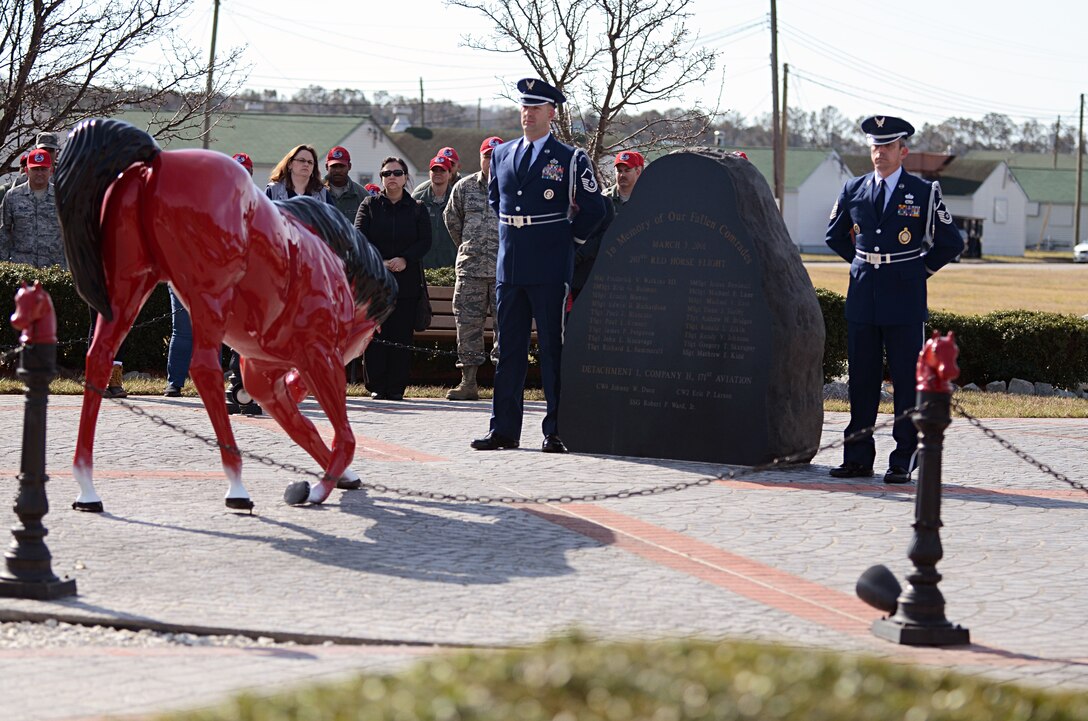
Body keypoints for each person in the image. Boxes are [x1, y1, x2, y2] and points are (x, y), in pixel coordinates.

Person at [471, 78, 607, 453]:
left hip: (549, 262)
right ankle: (504, 430)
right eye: (523, 107)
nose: (527, 114)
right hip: (510, 262)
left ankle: (557, 429)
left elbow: (595, 209)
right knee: (508, 350)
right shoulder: (501, 154)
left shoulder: (570, 158)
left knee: (552, 350)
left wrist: (570, 240)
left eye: (535, 108)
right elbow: (496, 200)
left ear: (551, 113)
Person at [825, 115, 963, 484]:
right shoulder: (853, 189)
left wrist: (919, 271)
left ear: (903, 151)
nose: (879, 153)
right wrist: (861, 265)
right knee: (862, 381)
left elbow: (952, 242)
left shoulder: (923, 192)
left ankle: (903, 459)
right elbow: (834, 236)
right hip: (863, 297)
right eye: (874, 146)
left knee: (905, 381)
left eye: (886, 147)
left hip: (904, 298)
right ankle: (857, 457)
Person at [354, 156, 432, 400]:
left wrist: (405, 259)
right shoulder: (370, 205)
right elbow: (358, 237)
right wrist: (381, 260)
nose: (392, 178)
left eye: (397, 173)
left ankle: (397, 388)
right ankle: (377, 386)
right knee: (377, 336)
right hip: (376, 282)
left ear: (406, 177)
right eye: (387, 174)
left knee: (400, 336)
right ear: (381, 178)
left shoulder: (417, 208)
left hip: (406, 284)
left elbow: (425, 241)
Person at [442, 136, 503, 400]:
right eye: (487, 155)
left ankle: (504, 384)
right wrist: (470, 247)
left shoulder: (516, 188)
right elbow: (452, 221)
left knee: (507, 329)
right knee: (467, 327)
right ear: (480, 158)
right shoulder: (464, 187)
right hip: (471, 271)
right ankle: (468, 383)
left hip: (505, 273)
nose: (492, 160)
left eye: (497, 155)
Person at [0, 148, 64, 268]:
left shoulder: (61, 197)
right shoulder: (12, 196)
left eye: (43, 169)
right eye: (35, 169)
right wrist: (4, 266)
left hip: (55, 270)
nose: (39, 173)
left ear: (51, 171)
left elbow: (70, 233)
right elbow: (3, 233)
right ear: (26, 171)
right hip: (21, 268)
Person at [413, 154, 457, 269]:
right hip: (422, 264)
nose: (438, 173)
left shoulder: (458, 199)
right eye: (434, 170)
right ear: (429, 173)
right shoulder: (416, 200)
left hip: (450, 265)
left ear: (450, 174)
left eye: (442, 170)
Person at [265, 145, 332, 203]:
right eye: (301, 160)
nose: (306, 164)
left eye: (310, 162)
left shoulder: (322, 194)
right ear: (289, 164)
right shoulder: (273, 190)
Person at [324, 145, 367, 221]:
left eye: (341, 166)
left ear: (349, 166)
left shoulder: (362, 195)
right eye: (334, 166)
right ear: (327, 167)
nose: (338, 170)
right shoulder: (317, 192)